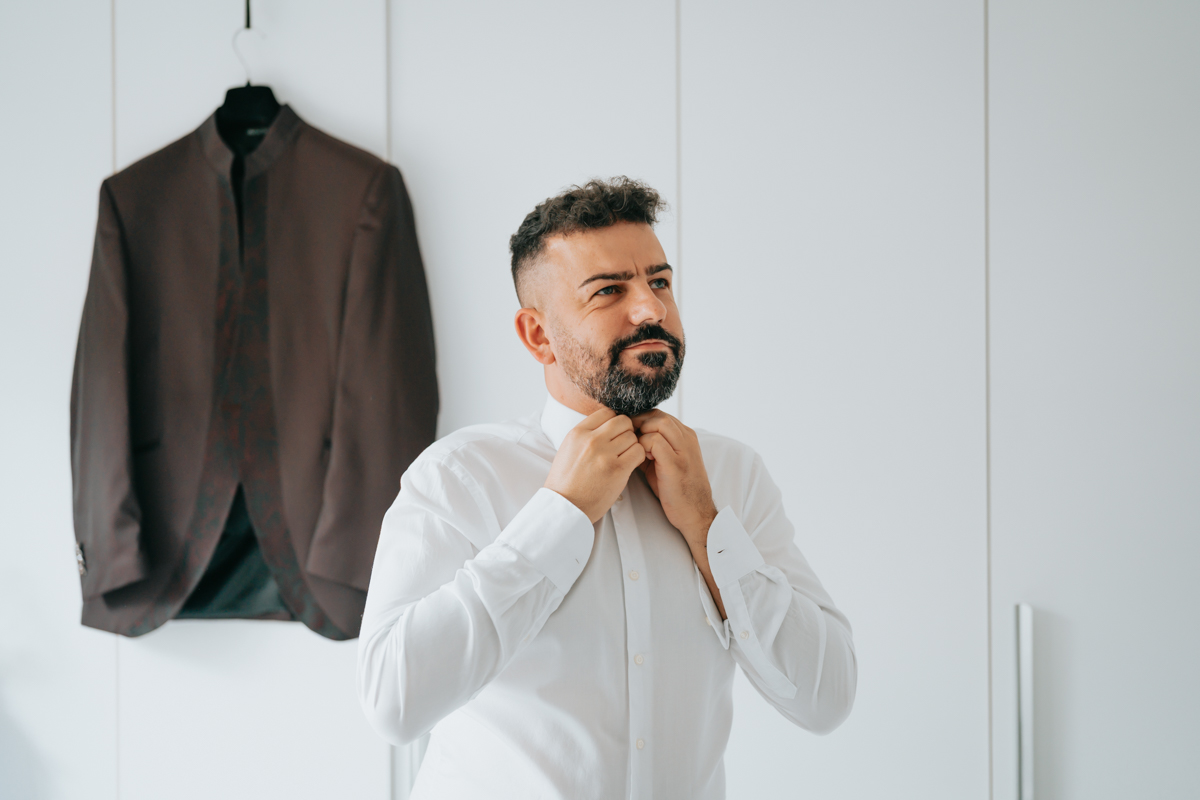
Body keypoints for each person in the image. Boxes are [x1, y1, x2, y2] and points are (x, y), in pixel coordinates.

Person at [357, 177, 856, 799]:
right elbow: (392, 702)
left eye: (660, 282)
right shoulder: (460, 476)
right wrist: (558, 517)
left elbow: (826, 698)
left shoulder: (731, 477)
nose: (651, 309)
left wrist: (707, 527)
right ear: (538, 335)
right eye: (609, 291)